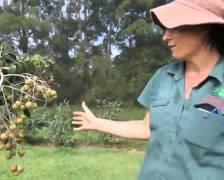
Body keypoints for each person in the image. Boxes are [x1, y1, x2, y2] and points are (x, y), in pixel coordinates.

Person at [72, 0, 224, 179]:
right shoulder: (163, 77)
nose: (165, 37)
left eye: (173, 28)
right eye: (165, 30)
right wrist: (98, 123)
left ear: (203, 27)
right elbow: (147, 127)